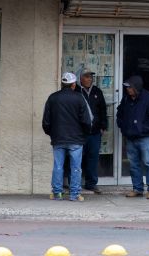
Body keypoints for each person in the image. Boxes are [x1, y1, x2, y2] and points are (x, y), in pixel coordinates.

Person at [42, 72, 92, 201]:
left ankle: (57, 193)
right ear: (73, 84)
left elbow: (46, 121)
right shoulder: (79, 98)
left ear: (62, 84)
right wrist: (85, 134)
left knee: (58, 166)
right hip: (76, 139)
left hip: (58, 138)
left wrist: (52, 133)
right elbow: (86, 120)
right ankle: (74, 194)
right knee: (75, 167)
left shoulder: (52, 98)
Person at [116, 75, 149, 199]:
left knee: (148, 163)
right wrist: (123, 127)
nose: (128, 90)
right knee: (133, 164)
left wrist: (143, 130)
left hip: (144, 138)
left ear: (136, 87)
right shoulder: (126, 99)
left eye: (130, 87)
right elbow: (120, 113)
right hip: (130, 137)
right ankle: (137, 188)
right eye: (127, 88)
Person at [76, 70, 108, 194]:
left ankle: (91, 183)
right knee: (77, 158)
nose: (89, 79)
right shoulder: (76, 92)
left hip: (95, 132)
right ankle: (75, 183)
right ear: (80, 79)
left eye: (91, 77)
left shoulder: (97, 92)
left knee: (93, 158)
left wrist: (103, 126)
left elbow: (103, 110)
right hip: (80, 132)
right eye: (86, 77)